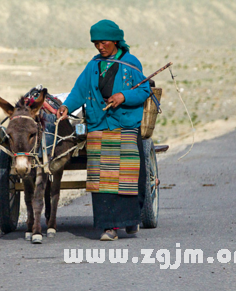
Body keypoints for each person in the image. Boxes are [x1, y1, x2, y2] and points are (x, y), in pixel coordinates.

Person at [57, 19, 150, 241]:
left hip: (125, 126)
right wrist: (66, 106)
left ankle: (129, 221)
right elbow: (79, 91)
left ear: (116, 41)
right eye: (96, 43)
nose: (100, 47)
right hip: (99, 127)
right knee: (101, 179)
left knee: (128, 176)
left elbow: (145, 90)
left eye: (104, 42)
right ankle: (108, 227)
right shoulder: (92, 66)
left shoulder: (131, 63)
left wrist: (124, 96)